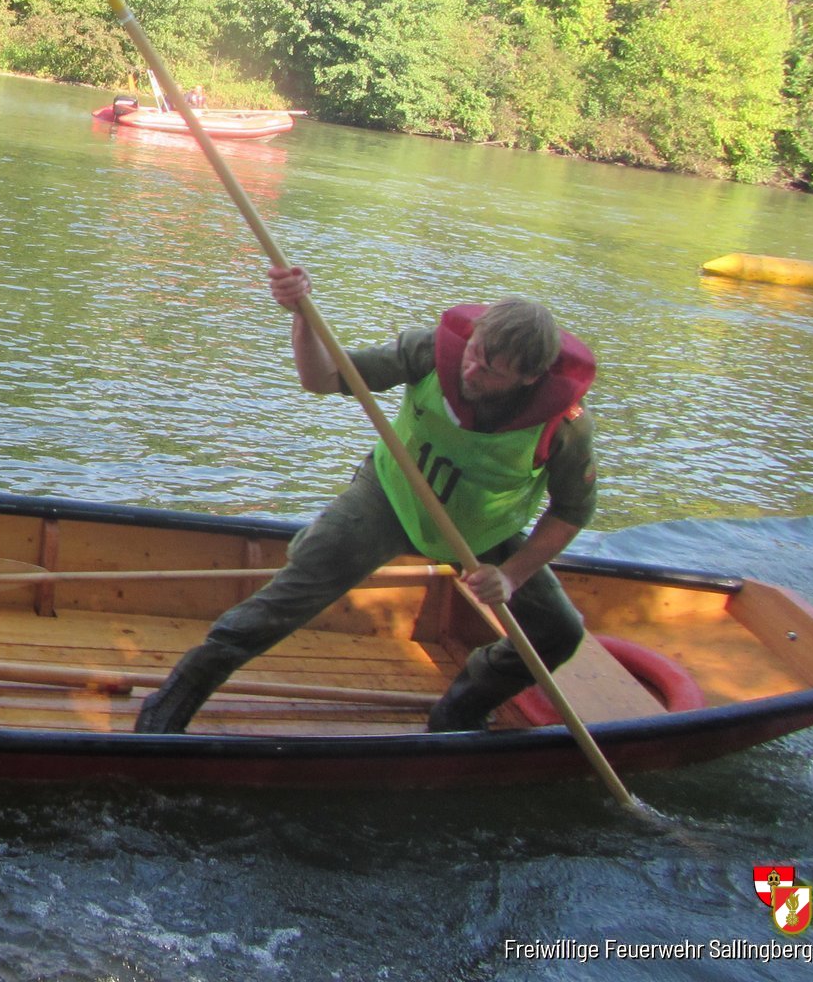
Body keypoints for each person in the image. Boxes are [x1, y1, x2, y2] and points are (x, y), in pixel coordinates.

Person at [135, 263, 598, 734]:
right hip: (391, 496)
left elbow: (571, 510)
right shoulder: (430, 351)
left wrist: (511, 576)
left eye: (491, 371)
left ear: (529, 378)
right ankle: (172, 702)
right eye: (474, 353)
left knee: (559, 630)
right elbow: (322, 377)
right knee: (291, 595)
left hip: (483, 526)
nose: (470, 370)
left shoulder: (565, 425)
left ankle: (461, 709)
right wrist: (302, 315)